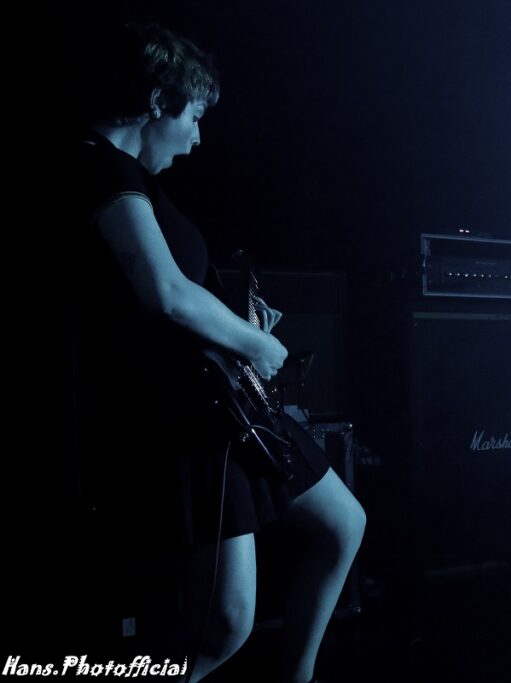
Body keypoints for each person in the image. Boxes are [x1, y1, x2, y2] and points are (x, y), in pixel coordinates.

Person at [66, 22, 365, 683]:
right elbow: (166, 293)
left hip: (226, 408)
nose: (197, 138)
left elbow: (180, 291)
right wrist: (256, 341)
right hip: (193, 420)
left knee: (343, 524)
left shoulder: (131, 176)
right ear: (157, 101)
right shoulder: (97, 165)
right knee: (224, 626)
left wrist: (239, 320)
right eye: (195, 116)